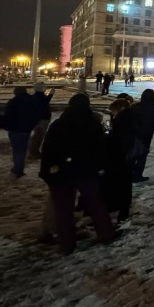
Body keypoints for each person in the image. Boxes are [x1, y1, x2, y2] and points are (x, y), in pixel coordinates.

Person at [39, 94, 118, 255]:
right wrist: (101, 168)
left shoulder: (59, 125)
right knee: (96, 204)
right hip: (86, 171)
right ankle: (105, 232)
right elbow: (100, 149)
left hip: (62, 173)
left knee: (63, 210)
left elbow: (48, 150)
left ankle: (67, 244)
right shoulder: (92, 124)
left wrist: (48, 172)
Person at [103, 99, 135, 225]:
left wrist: (107, 124)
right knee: (125, 185)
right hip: (126, 157)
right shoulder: (129, 117)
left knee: (120, 185)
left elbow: (109, 136)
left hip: (119, 158)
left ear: (120, 108)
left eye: (113, 110)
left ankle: (121, 210)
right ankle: (123, 210)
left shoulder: (121, 120)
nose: (112, 112)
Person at [4, 86, 41, 178]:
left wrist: (8, 126)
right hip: (26, 129)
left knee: (17, 150)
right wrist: (31, 125)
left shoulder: (12, 102)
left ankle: (18, 169)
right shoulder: (32, 101)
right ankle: (19, 167)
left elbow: (7, 116)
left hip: (15, 129)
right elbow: (37, 115)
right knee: (23, 149)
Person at [130, 89, 154, 182]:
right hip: (147, 134)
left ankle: (130, 172)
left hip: (135, 133)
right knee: (143, 155)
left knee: (133, 153)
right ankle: (138, 175)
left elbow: (130, 119)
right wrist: (152, 127)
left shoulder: (135, 107)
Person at [28, 82, 54, 160]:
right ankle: (34, 153)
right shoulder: (39, 97)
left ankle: (34, 151)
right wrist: (51, 94)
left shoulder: (35, 96)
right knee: (38, 136)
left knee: (38, 136)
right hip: (42, 119)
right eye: (44, 87)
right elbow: (45, 102)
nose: (45, 88)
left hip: (40, 119)